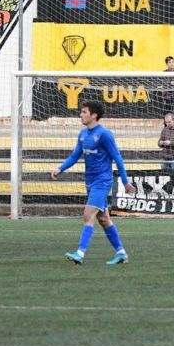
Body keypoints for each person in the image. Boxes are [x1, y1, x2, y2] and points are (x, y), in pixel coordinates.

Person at [50, 100, 136, 266]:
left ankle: (80, 253)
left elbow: (117, 157)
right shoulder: (83, 134)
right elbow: (75, 155)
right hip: (90, 181)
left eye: (84, 112)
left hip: (102, 181)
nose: (80, 115)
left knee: (87, 215)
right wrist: (60, 168)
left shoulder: (104, 134)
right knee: (104, 219)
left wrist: (125, 182)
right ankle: (121, 253)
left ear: (94, 115)